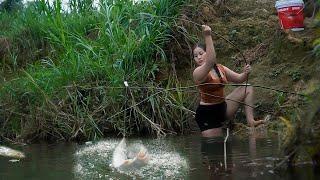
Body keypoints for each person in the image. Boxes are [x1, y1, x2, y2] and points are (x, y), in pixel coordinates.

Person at [193, 25, 265, 137]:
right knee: (215, 147)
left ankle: (251, 121)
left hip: (223, 108)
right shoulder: (198, 73)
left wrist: (246, 73)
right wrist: (207, 35)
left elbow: (239, 79)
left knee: (247, 87)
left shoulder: (220, 68)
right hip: (207, 114)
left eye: (201, 53)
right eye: (195, 56)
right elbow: (210, 61)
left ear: (208, 52)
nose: (198, 57)